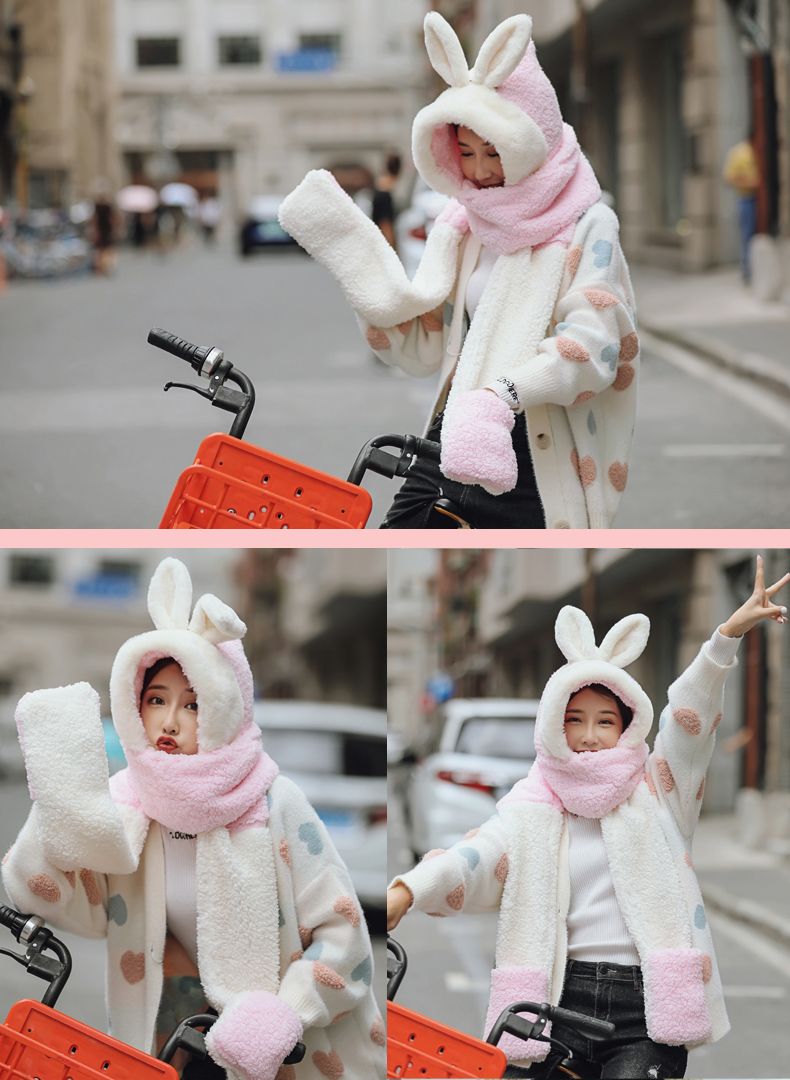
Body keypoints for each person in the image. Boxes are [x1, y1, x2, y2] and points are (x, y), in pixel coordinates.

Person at [387, 556, 789, 1079]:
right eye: (574, 720)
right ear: (554, 723)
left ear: (628, 726)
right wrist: (408, 891)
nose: (590, 733)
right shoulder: (531, 803)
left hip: (646, 1009)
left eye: (606, 720)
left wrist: (724, 640)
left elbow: (689, 721)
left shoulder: (657, 788)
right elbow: (474, 858)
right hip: (554, 1003)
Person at [2, 558, 385, 1080]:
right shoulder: (129, 803)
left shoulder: (272, 801)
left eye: (193, 704)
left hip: (286, 1052)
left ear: (227, 708)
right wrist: (61, 801)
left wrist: (279, 1017)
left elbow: (346, 938)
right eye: (156, 700)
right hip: (169, 1043)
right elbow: (75, 907)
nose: (168, 720)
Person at [280, 13, 638, 529]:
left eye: (495, 151)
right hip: (455, 437)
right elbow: (428, 347)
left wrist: (503, 396)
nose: (481, 171)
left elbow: (596, 343)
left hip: (539, 453)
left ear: (532, 139)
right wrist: (363, 276)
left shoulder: (587, 222)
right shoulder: (464, 224)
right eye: (466, 153)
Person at [723, 130, 760, 285]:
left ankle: (756, 270)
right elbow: (728, 178)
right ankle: (747, 272)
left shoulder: (759, 150)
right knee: (747, 235)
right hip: (747, 198)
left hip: (760, 199)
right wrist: (749, 183)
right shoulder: (739, 153)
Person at [371, 152, 402, 250]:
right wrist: (391, 248)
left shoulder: (378, 186)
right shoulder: (385, 193)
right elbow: (385, 223)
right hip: (383, 242)